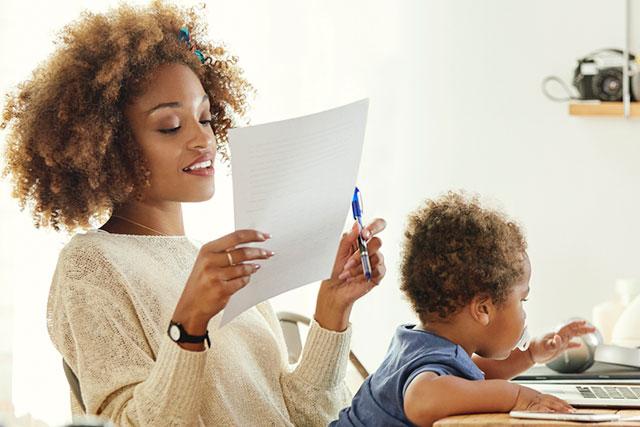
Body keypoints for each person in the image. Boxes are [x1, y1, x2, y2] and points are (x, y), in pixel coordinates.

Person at [0, 2, 387, 425]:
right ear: (110, 146)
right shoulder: (91, 266)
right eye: (170, 125)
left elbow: (302, 416)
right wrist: (190, 321)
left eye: (204, 118)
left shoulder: (217, 266)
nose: (202, 139)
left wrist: (332, 308)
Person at [330, 192, 595, 427]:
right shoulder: (430, 364)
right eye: (522, 300)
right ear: (483, 309)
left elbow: (471, 380)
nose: (524, 313)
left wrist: (530, 355)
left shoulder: (421, 344)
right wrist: (518, 396)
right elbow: (422, 401)